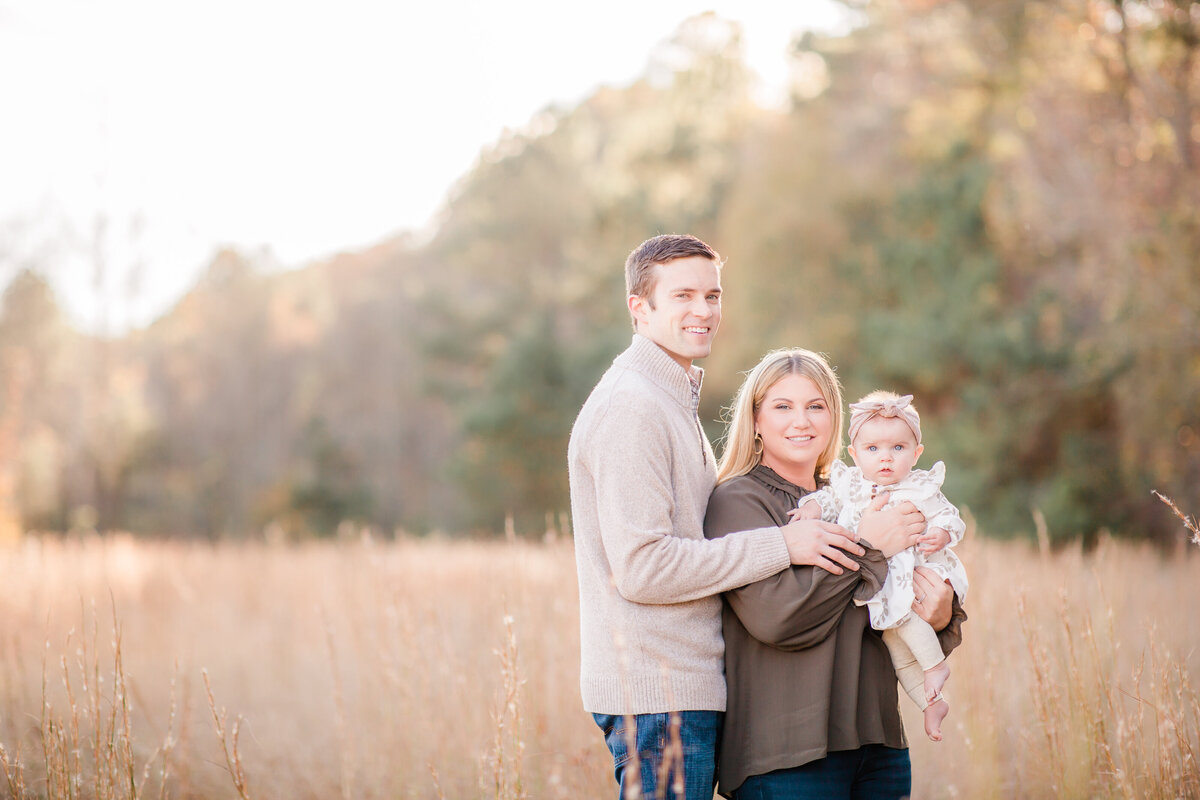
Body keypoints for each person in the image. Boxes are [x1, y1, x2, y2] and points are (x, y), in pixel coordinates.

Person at [568, 236, 873, 800]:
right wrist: (783, 545)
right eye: (683, 295)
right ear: (640, 307)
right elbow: (643, 569)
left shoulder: (667, 398)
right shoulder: (631, 406)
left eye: (713, 294)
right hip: (657, 696)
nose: (703, 310)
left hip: (681, 691)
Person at [703, 348, 966, 799]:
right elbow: (778, 618)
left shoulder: (858, 496)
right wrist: (870, 548)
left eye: (816, 406)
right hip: (788, 756)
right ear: (757, 420)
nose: (801, 421)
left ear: (835, 419)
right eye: (783, 407)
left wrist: (943, 613)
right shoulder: (738, 501)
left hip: (879, 745)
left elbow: (900, 593)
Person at [796, 390, 968, 742]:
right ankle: (929, 703)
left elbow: (951, 517)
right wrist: (811, 509)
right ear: (855, 454)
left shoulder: (920, 487)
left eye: (898, 449)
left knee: (904, 620)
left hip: (913, 577)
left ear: (916, 453)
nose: (885, 458)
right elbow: (826, 500)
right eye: (873, 450)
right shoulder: (852, 485)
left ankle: (936, 666)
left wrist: (941, 533)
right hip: (884, 586)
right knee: (896, 649)